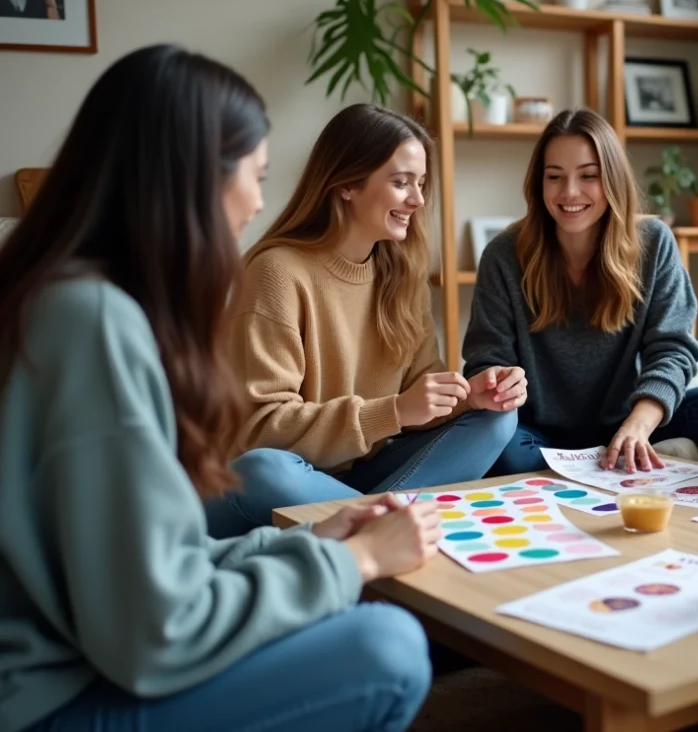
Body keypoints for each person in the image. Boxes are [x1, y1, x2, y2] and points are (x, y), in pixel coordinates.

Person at [0, 45, 438, 732]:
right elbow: (153, 628)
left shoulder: (64, 297)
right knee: (389, 647)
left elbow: (144, 561)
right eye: (255, 174)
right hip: (51, 696)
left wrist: (313, 543)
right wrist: (351, 563)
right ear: (194, 176)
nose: (260, 199)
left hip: (86, 648)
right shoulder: (96, 323)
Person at [204, 104, 521, 538]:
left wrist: (470, 396)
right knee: (264, 469)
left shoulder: (401, 273)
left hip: (363, 476)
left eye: (421, 184)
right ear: (347, 183)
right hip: (286, 482)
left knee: (498, 420)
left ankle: (369, 525)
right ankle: (384, 525)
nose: (418, 200)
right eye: (400, 182)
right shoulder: (276, 272)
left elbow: (421, 392)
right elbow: (259, 431)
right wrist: (393, 411)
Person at [462, 108, 698, 475]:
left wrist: (638, 425)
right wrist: (498, 380)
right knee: (501, 447)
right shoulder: (503, 254)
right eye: (555, 177)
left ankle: (635, 450)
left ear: (613, 179)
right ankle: (643, 460)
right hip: (537, 432)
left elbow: (672, 349)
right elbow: (485, 358)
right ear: (538, 184)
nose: (570, 192)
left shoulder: (654, 243)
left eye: (588, 176)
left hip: (627, 422)